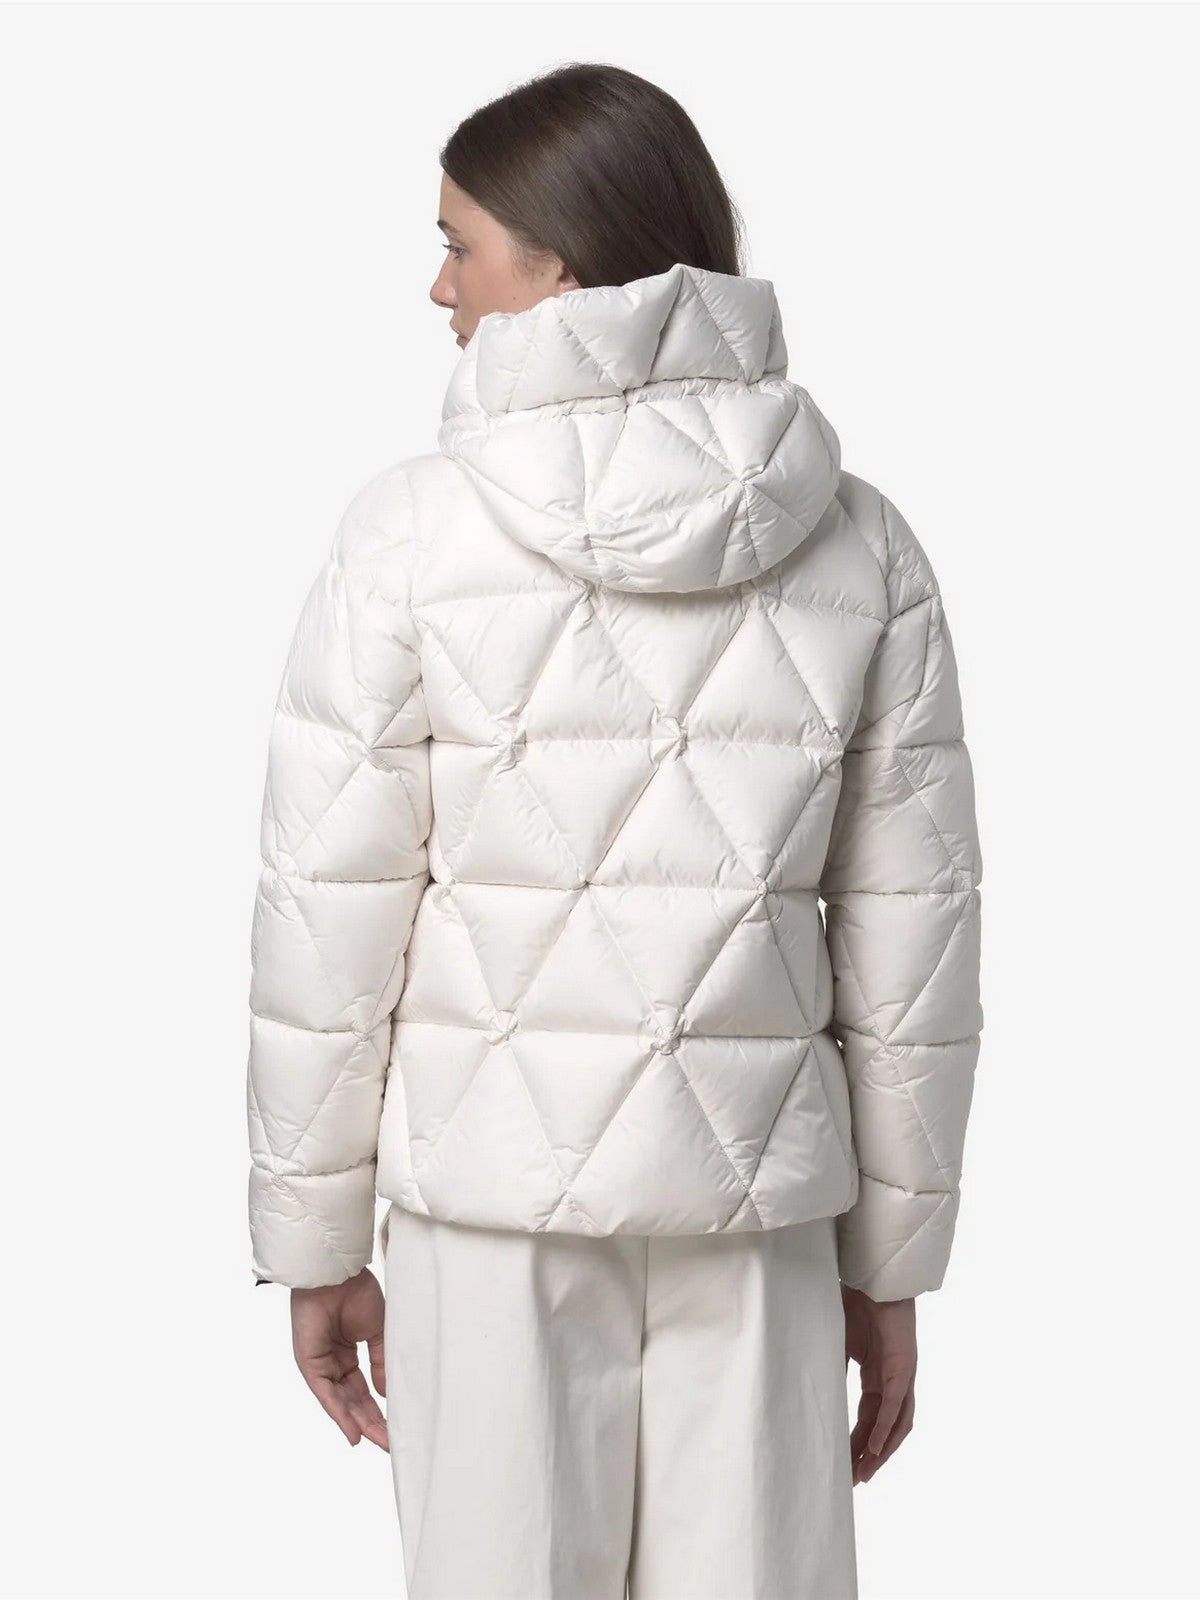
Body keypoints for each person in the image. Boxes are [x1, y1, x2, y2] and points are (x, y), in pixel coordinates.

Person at [245, 60, 984, 1600]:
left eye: (459, 245)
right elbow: (915, 946)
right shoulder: (863, 541)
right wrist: (889, 1266)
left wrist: (313, 1241)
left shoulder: (409, 535)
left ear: (562, 269)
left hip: (490, 1214)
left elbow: (332, 921)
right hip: (761, 1213)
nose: (436, 286)